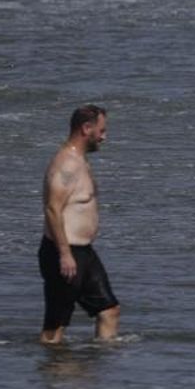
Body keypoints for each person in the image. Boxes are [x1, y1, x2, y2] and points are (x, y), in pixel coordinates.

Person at [39, 105, 120, 344]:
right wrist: (65, 254)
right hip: (63, 253)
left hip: (84, 252)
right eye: (101, 131)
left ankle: (101, 362)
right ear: (86, 128)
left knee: (109, 311)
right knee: (56, 326)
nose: (104, 137)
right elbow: (52, 209)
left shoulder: (80, 160)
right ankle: (52, 364)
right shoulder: (66, 164)